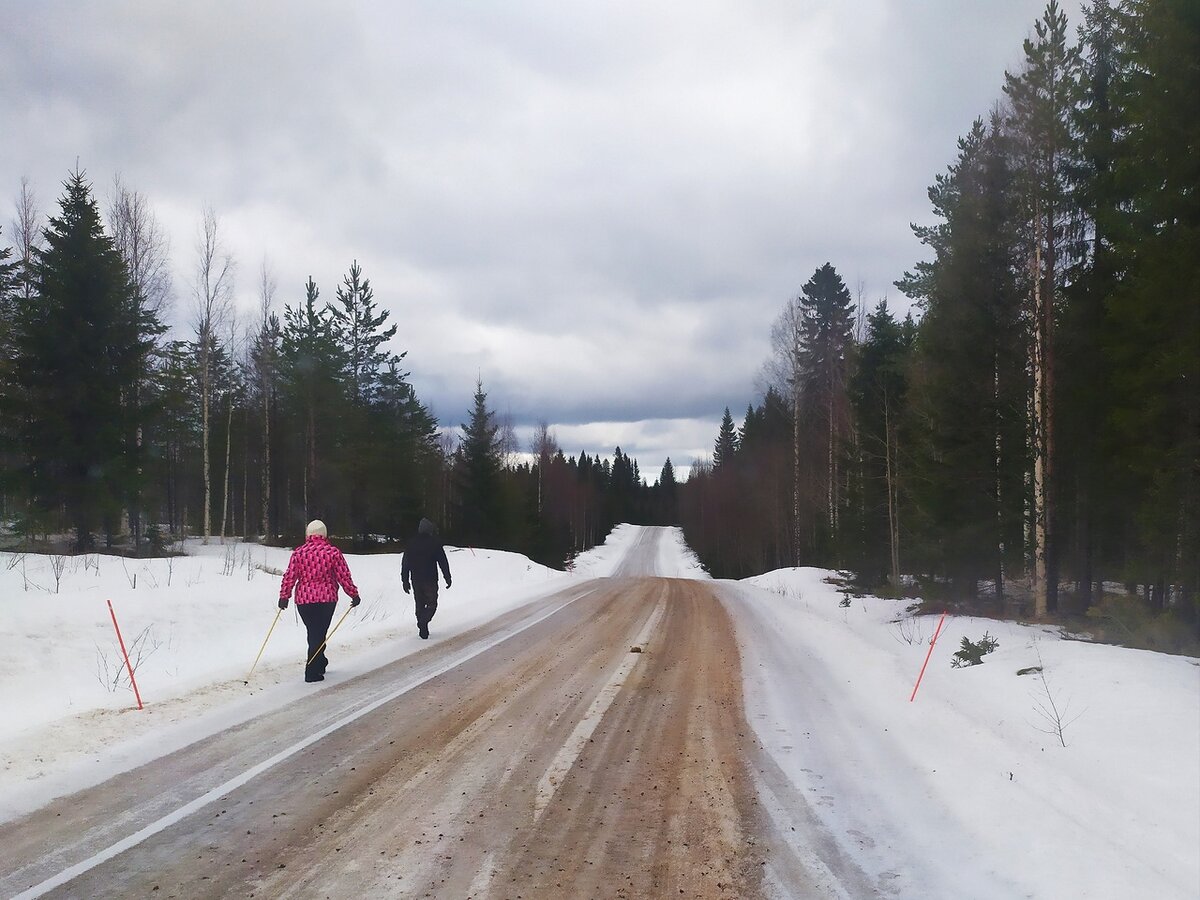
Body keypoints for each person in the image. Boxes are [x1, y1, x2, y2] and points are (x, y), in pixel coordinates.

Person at [278, 519, 360, 682]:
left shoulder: (299, 553)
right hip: (326, 599)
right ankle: (311, 670)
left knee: (314, 632)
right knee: (319, 632)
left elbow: (290, 576)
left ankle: (320, 662)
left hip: (304, 599)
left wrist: (283, 596)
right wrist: (353, 594)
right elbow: (344, 576)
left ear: (308, 534)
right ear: (324, 534)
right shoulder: (333, 553)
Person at [401, 517, 451, 639]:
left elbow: (405, 563)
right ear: (429, 530)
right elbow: (443, 561)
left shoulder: (411, 543)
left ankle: (422, 626)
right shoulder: (435, 542)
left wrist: (405, 580)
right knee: (431, 604)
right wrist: (447, 577)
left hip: (416, 579)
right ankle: (424, 622)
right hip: (430, 579)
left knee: (419, 603)